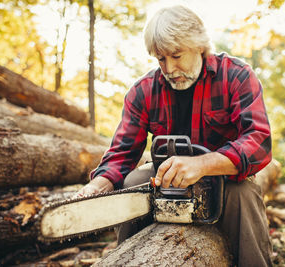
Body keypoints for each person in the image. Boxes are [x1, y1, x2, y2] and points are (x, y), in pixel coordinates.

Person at [77, 5, 273, 266]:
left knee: (244, 194)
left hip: (223, 178)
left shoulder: (236, 75)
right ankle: (127, 257)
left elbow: (258, 141)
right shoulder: (143, 91)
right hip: (165, 177)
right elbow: (122, 152)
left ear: (199, 46)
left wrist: (203, 164)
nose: (168, 68)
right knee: (133, 181)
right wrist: (99, 184)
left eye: (176, 56)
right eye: (160, 59)